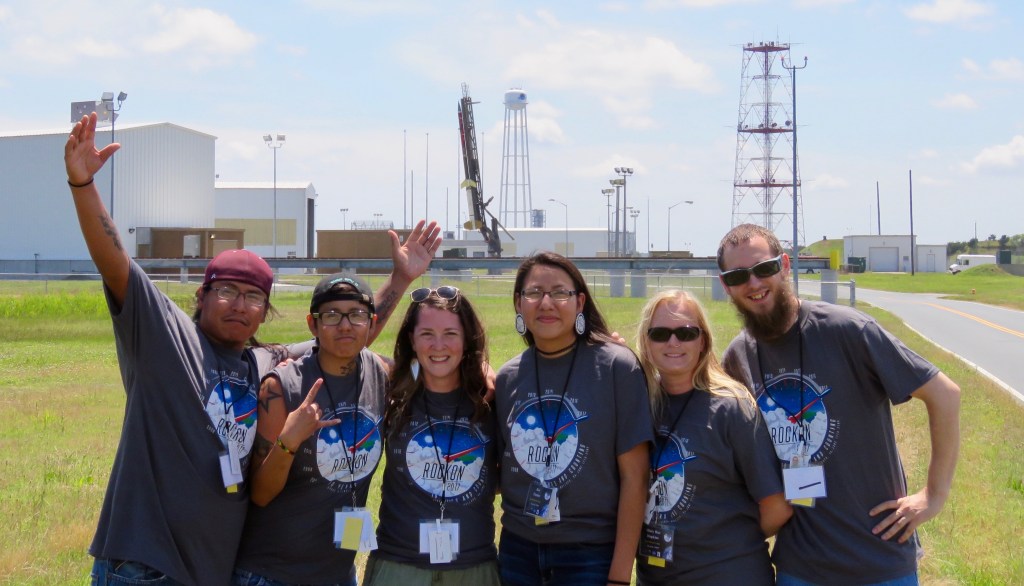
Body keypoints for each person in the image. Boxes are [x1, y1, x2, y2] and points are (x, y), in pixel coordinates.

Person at [65, 111, 440, 585]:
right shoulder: (165, 337)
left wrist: (401, 280)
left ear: (265, 311)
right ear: (201, 296)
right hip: (144, 565)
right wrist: (83, 186)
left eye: (254, 297)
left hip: (214, 567)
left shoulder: (261, 363)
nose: (239, 305)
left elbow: (346, 335)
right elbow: (115, 261)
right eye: (227, 291)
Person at [717, 224, 961, 586]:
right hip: (799, 566)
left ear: (784, 265)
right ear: (726, 285)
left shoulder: (846, 330)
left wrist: (933, 495)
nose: (753, 283)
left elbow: (945, 395)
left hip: (879, 557)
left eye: (763, 268)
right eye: (738, 275)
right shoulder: (739, 357)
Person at [494, 251, 654, 586]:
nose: (547, 303)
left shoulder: (616, 367)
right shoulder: (508, 377)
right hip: (518, 550)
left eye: (560, 293)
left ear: (580, 302)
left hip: (590, 554)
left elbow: (635, 477)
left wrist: (620, 574)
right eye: (534, 292)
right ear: (518, 304)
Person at [634, 290, 791, 585]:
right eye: (660, 333)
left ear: (703, 340)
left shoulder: (733, 408)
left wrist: (723, 542)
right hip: (655, 576)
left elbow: (776, 506)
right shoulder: (637, 404)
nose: (673, 342)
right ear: (646, 341)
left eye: (686, 332)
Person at [363, 285, 499, 585]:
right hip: (398, 564)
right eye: (427, 334)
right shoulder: (390, 391)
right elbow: (343, 343)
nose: (439, 345)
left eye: (451, 334)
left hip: (474, 566)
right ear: (412, 340)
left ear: (467, 340)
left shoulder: (491, 398)